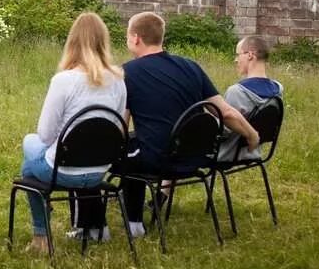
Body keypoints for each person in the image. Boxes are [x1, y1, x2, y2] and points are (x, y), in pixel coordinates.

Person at [103, 12, 259, 238]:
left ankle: (133, 223)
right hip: (195, 158)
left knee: (127, 151)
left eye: (127, 36)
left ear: (135, 38)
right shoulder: (191, 66)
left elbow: (119, 128)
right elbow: (226, 112)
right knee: (137, 143)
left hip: (157, 161)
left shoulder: (126, 73)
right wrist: (252, 135)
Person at [19, 12, 127, 253]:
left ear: (72, 42)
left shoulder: (63, 81)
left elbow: (45, 135)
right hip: (100, 171)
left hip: (63, 170)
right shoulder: (119, 80)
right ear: (104, 41)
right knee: (34, 155)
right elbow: (116, 127)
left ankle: (41, 236)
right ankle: (85, 228)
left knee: (29, 150)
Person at [219, 35, 283, 162]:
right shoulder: (278, 89)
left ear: (250, 55)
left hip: (227, 154)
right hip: (253, 152)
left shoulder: (237, 92)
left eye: (238, 55)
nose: (236, 60)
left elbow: (224, 132)